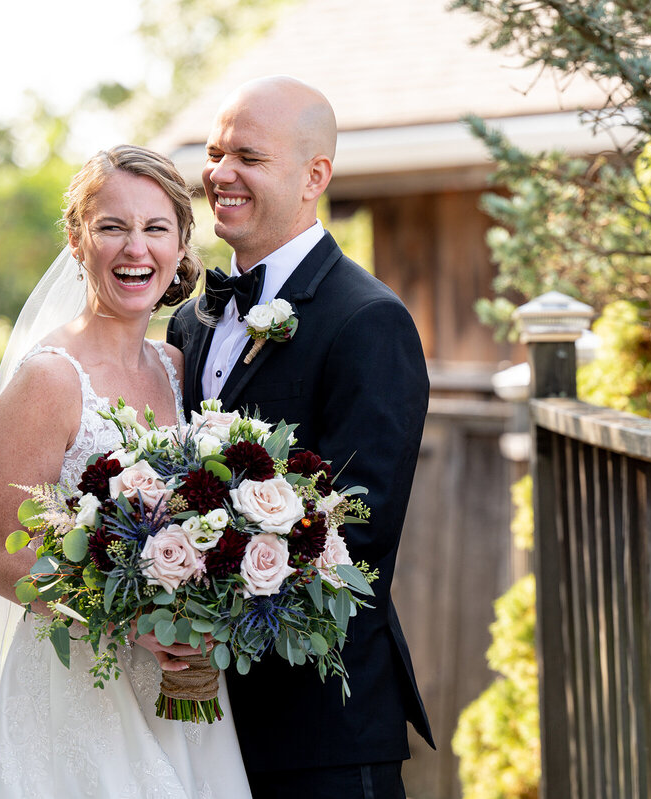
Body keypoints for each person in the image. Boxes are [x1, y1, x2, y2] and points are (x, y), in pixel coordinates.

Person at [0, 145, 252, 799]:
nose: (136, 249)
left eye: (156, 228)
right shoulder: (50, 377)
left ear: (182, 243)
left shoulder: (178, 367)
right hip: (78, 694)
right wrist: (130, 619)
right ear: (78, 240)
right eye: (112, 226)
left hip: (183, 699)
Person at [166, 76, 434, 798]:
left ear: (316, 175)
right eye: (217, 152)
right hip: (191, 732)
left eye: (248, 156)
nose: (220, 173)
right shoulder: (188, 324)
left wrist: (212, 645)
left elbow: (354, 528)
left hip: (321, 732)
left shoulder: (368, 321)